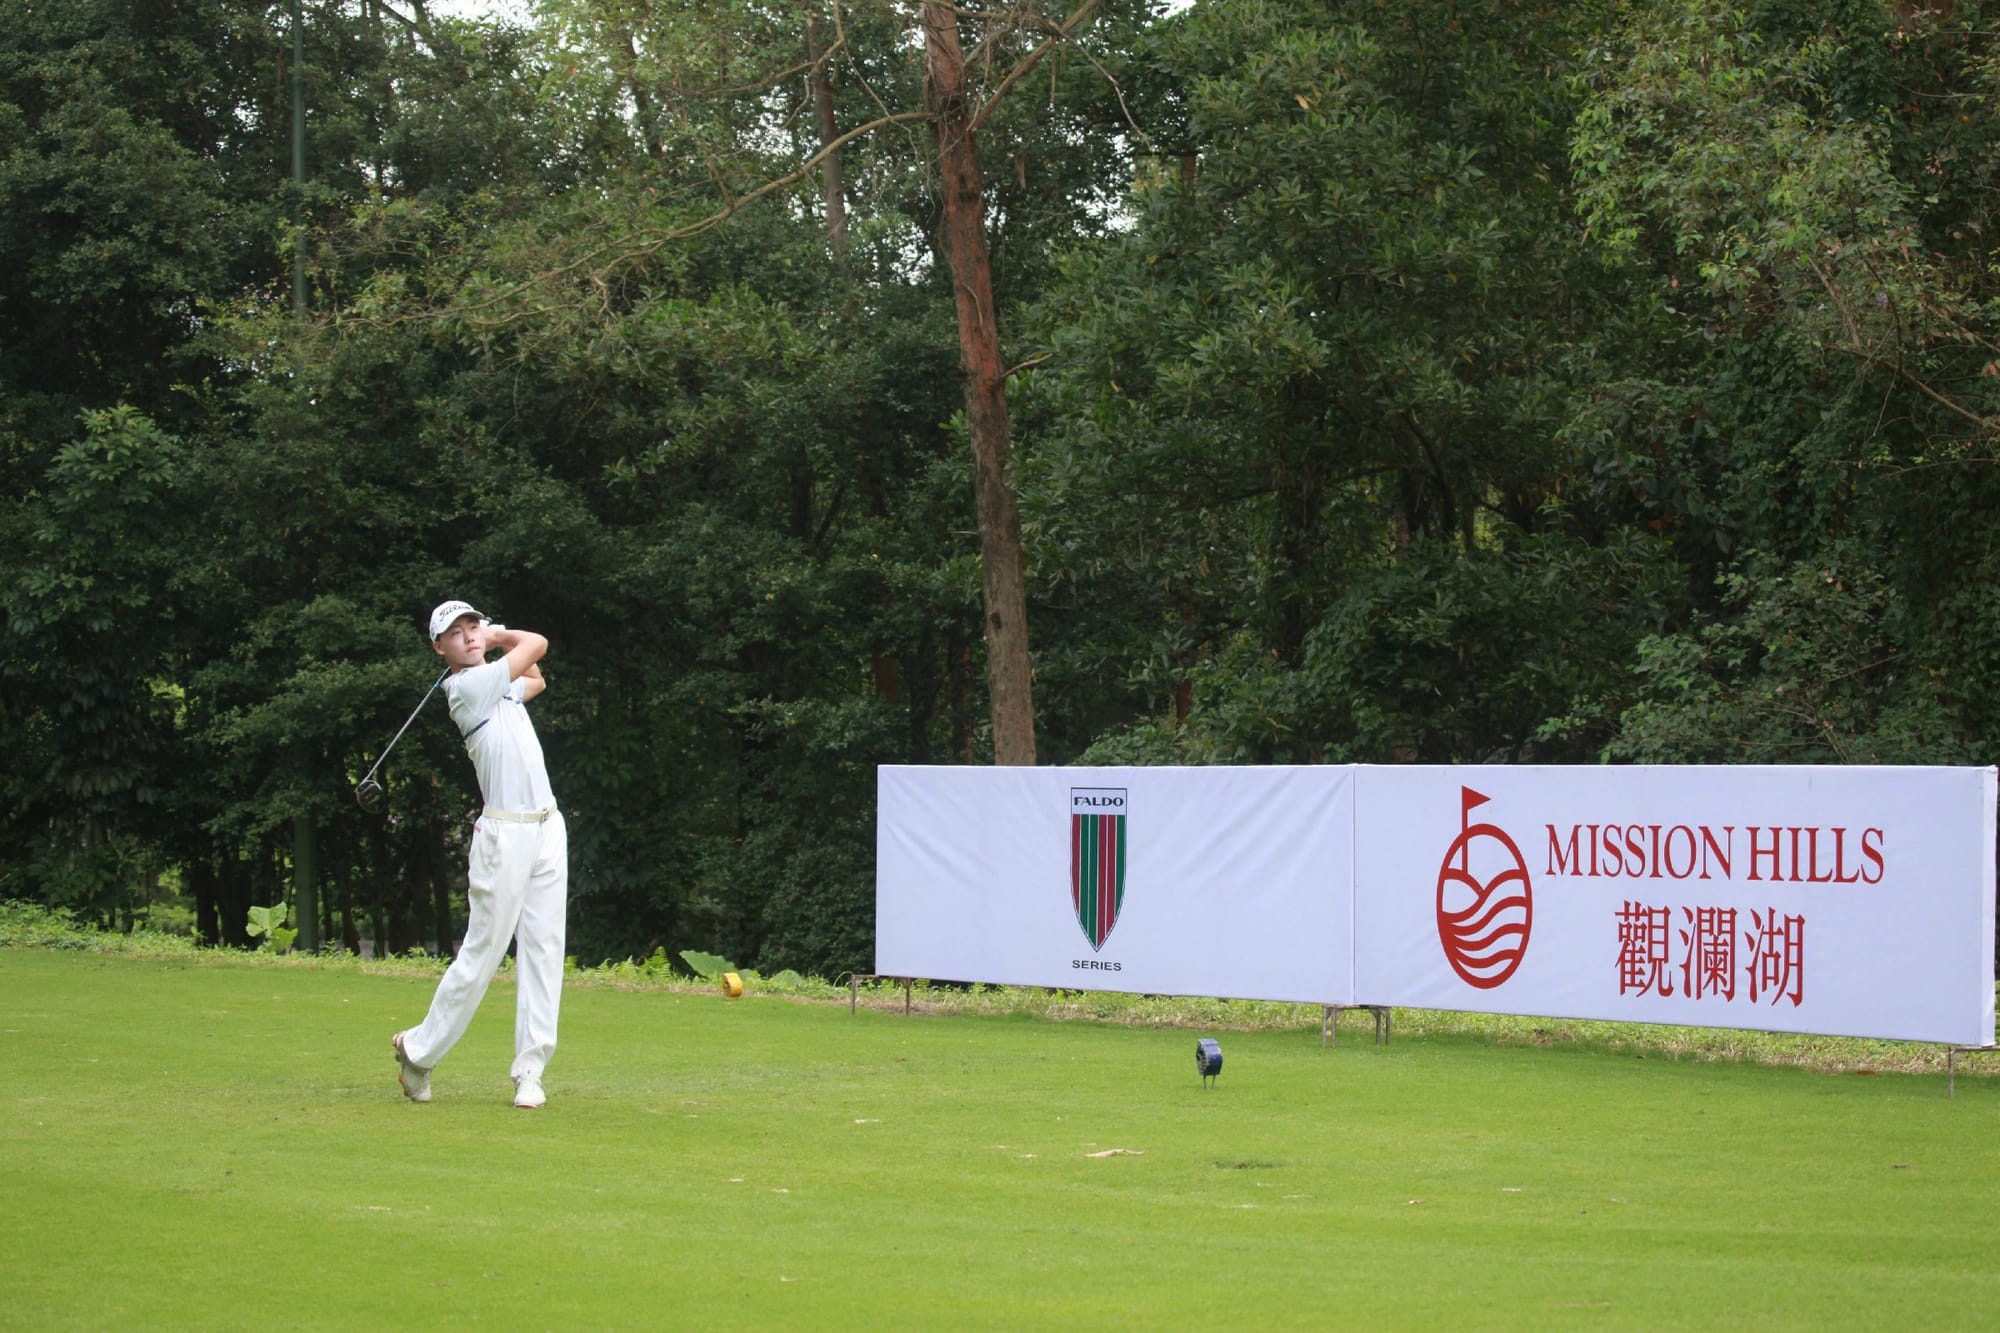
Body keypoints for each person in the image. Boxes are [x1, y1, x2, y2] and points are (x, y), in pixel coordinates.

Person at [392, 599, 567, 1110]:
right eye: (457, 632)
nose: (469, 636)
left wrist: (492, 640)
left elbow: (535, 679)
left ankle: (531, 1070)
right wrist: (497, 634)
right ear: (439, 648)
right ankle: (418, 1051)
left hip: (547, 827)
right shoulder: (467, 687)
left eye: (473, 625)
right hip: (504, 835)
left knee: (544, 949)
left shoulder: (496, 683)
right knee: (484, 950)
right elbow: (537, 645)